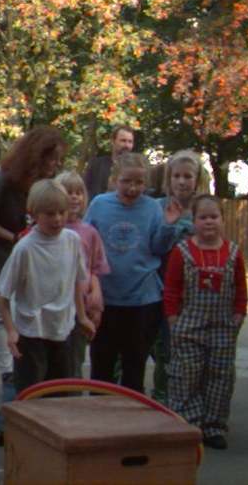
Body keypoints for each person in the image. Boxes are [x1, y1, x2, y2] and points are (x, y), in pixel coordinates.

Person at [0, 125, 66, 449]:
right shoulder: (4, 181)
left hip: (30, 260)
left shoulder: (42, 185)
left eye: (58, 160)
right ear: (34, 157)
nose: (55, 166)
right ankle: (9, 377)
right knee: (3, 317)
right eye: (50, 159)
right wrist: (16, 238)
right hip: (2, 257)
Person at [84, 152, 182, 393]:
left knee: (134, 366)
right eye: (127, 181)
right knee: (102, 366)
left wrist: (169, 226)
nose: (133, 187)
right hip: (106, 298)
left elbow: (158, 247)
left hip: (143, 299)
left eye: (139, 182)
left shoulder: (151, 208)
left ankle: (131, 422)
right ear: (115, 179)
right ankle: (99, 420)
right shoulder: (100, 204)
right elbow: (86, 244)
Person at [0, 179, 96, 395]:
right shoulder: (25, 248)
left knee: (60, 393)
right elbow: (1, 294)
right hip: (32, 332)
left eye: (62, 212)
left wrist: (82, 316)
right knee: (31, 394)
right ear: (33, 213)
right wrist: (12, 331)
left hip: (63, 329)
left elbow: (76, 282)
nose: (57, 219)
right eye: (49, 214)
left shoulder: (72, 241)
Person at [164, 195, 247, 450]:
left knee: (220, 377)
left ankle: (214, 427)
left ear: (222, 220)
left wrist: (239, 314)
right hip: (189, 325)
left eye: (214, 217)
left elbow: (241, 288)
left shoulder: (233, 252)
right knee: (185, 375)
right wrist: (173, 319)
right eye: (203, 217)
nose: (209, 222)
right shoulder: (182, 252)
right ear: (194, 221)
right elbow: (171, 289)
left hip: (223, 326)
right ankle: (187, 424)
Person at [151, 150, 209, 403]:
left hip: (195, 291)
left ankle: (190, 398)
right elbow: (153, 246)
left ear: (197, 179)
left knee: (191, 348)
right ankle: (162, 396)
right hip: (161, 287)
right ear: (168, 178)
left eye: (188, 176)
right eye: (177, 176)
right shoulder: (157, 207)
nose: (182, 182)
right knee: (164, 345)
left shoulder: (204, 208)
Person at [55, 172, 110, 377]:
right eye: (69, 192)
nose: (75, 197)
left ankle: (73, 401)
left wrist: (96, 295)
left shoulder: (89, 232)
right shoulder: (49, 230)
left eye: (79, 192)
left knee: (74, 361)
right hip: (56, 306)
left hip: (81, 308)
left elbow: (94, 268)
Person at [84, 126, 135, 201]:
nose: (127, 145)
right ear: (113, 141)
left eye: (130, 142)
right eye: (123, 141)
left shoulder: (136, 169)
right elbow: (85, 190)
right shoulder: (96, 165)